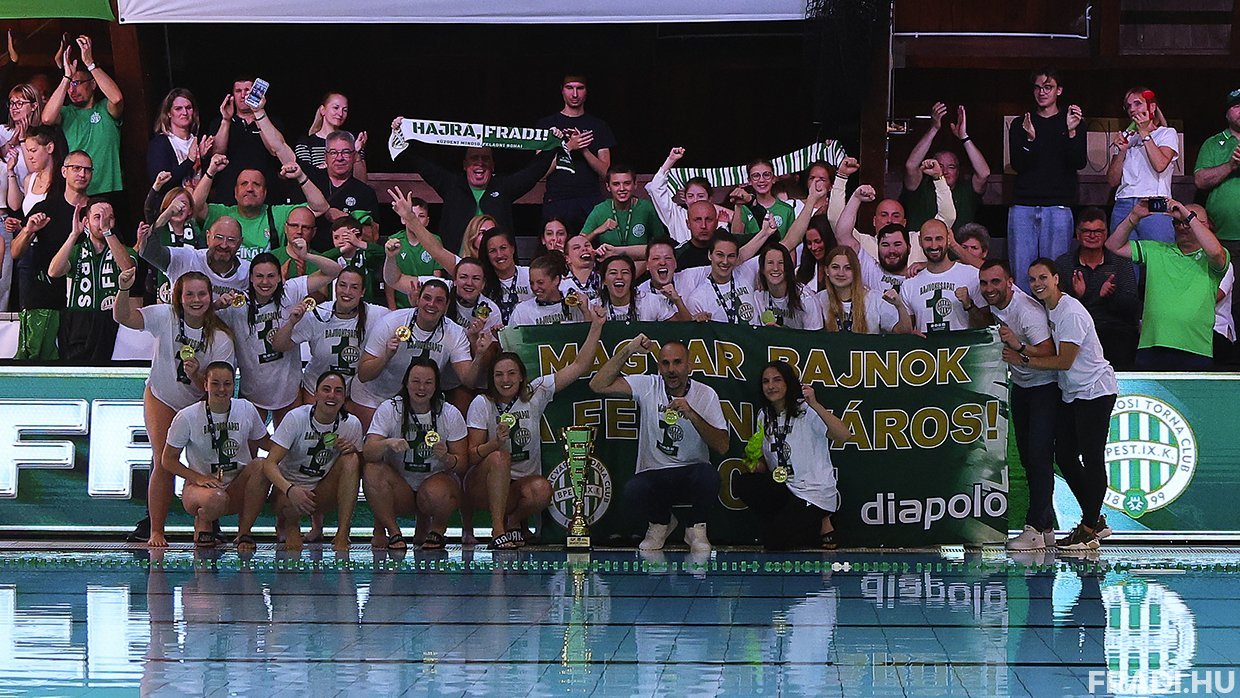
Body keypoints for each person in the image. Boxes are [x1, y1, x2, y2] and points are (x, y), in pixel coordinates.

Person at [113, 269, 236, 548]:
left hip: (200, 402)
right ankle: (156, 529)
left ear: (211, 297)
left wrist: (197, 375)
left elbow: (220, 388)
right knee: (162, 460)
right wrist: (124, 290)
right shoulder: (165, 316)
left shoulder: (221, 338)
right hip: (162, 396)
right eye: (189, 294)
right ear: (178, 297)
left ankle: (209, 520)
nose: (196, 300)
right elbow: (124, 317)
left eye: (202, 294)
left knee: (207, 464)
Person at [1004, 259, 1118, 551]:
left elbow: (1063, 361)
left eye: (1043, 277)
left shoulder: (1070, 313)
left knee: (1092, 458)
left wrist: (1023, 359)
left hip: (1094, 391)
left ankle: (1089, 530)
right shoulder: (1046, 307)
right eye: (1032, 279)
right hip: (1072, 393)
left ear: (1056, 278)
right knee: (1065, 456)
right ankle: (1094, 521)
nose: (1037, 284)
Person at [470, 306, 606, 548]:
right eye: (499, 375)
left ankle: (513, 522)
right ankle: (498, 531)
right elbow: (471, 456)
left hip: (521, 487)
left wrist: (596, 326)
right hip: (484, 486)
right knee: (500, 457)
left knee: (542, 489)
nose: (505, 380)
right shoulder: (483, 403)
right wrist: (494, 444)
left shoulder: (535, 393)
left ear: (522, 376)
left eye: (511, 373)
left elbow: (579, 366)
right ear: (492, 378)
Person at [589, 335, 730, 553]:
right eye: (665, 363)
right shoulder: (649, 385)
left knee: (710, 476)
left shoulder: (706, 394)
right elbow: (597, 385)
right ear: (659, 367)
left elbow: (722, 446)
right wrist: (629, 349)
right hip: (655, 472)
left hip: (691, 471)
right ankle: (660, 523)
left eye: (677, 362)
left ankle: (695, 528)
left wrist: (692, 414)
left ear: (689, 366)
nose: (671, 369)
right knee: (633, 489)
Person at [977, 261, 1059, 551]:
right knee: (1028, 459)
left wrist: (1019, 349)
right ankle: (1046, 528)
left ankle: (1034, 528)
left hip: (1045, 389)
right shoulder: (997, 303)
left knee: (1038, 458)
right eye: (984, 283)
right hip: (1023, 388)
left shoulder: (1027, 311)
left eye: (995, 282)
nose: (989, 289)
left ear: (1010, 282)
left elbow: (1050, 351)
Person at [238, 370, 364, 551]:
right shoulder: (296, 418)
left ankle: (343, 533)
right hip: (287, 493)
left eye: (338, 391)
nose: (332, 395)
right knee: (264, 470)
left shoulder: (351, 424)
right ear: (315, 394)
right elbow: (269, 463)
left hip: (321, 493)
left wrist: (352, 450)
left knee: (351, 460)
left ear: (344, 397)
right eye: (326, 389)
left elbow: (360, 470)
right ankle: (289, 525)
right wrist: (290, 490)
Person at [734, 361, 851, 550]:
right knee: (744, 483)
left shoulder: (807, 410)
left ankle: (824, 518)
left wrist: (815, 404)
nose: (771, 386)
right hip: (785, 487)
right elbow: (772, 459)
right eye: (766, 381)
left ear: (788, 383)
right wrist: (757, 465)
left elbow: (843, 436)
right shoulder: (764, 415)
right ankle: (785, 525)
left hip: (812, 492)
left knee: (775, 543)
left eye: (777, 380)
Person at [217, 251, 341, 426]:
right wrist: (217, 305)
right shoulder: (237, 304)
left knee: (291, 442)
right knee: (250, 443)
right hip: (253, 392)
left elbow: (334, 271)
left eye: (271, 276)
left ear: (279, 277)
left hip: (289, 391)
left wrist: (306, 256)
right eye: (259, 276)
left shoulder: (290, 290)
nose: (265, 282)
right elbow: (201, 319)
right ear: (250, 278)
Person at [390, 123, 555, 253]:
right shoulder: (452, 185)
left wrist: (552, 144)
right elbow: (422, 165)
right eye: (474, 158)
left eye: (485, 159)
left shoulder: (503, 187)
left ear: (493, 165)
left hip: (497, 266)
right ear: (464, 165)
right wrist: (402, 132)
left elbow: (532, 173)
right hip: (455, 266)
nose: (480, 163)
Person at [1106, 199, 1229, 371]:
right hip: (1152, 347)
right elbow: (1113, 245)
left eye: (1188, 222)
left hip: (1196, 348)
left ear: (1206, 225)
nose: (1182, 226)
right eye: (1177, 222)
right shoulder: (1156, 249)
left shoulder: (1213, 258)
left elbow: (1215, 252)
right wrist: (1134, 216)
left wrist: (1187, 215)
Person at [363, 358, 468, 551]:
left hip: (433, 487)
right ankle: (393, 532)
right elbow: (368, 452)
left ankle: (437, 529)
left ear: (436, 386)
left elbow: (462, 464)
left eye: (428, 382)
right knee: (372, 470)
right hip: (401, 489)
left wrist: (447, 458)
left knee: (443, 489)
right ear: (406, 383)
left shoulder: (449, 413)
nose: (421, 388)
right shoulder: (390, 408)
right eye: (416, 381)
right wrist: (387, 443)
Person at [162, 361, 270, 547]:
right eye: (215, 383)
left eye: (227, 384)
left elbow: (267, 444)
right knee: (215, 499)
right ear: (205, 384)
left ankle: (244, 533)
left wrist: (296, 440)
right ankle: (204, 519)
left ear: (234, 385)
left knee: (261, 465)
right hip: (201, 490)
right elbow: (167, 460)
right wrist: (198, 478)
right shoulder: (187, 416)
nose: (222, 389)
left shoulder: (246, 409)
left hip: (236, 486)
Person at [355, 278, 482, 425]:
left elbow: (468, 381)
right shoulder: (391, 322)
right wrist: (386, 357)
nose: (431, 304)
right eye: (427, 298)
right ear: (418, 300)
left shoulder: (455, 333)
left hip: (419, 400)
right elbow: (363, 375)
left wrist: (479, 355)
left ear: (446, 305)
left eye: (439, 300)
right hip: (376, 396)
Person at [1007, 67, 1087, 294]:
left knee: (1054, 276)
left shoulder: (1073, 121)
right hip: (1023, 205)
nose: (1042, 92)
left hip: (1058, 205)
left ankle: (1053, 317)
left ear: (1058, 90)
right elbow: (1018, 164)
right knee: (1023, 275)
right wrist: (1030, 139)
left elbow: (1078, 162)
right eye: (1038, 88)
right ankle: (1023, 317)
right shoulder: (1021, 123)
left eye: (1048, 87)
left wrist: (1071, 133)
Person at [271, 266, 389, 404]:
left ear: (362, 292)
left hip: (352, 395)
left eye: (354, 287)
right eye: (342, 285)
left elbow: (402, 321)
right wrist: (291, 322)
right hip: (316, 390)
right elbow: (278, 346)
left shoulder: (377, 315)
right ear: (335, 287)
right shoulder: (317, 314)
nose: (347, 291)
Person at [47, 197, 137, 362]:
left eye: (109, 218)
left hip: (112, 323)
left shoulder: (125, 250)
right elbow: (53, 271)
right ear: (86, 222)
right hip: (78, 321)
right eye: (97, 217)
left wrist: (108, 232)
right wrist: (74, 235)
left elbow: (128, 269)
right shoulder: (76, 250)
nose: (103, 222)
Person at [195, 153, 330, 261]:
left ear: (265, 193)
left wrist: (301, 176)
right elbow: (194, 208)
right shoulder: (222, 215)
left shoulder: (278, 214)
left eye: (256, 184)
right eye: (244, 184)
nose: (250, 189)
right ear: (235, 192)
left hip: (266, 282)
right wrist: (210, 172)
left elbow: (320, 207)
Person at [829, 155, 955, 266]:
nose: (889, 220)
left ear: (904, 223)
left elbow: (947, 217)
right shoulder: (863, 243)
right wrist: (841, 177)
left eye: (896, 216)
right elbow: (837, 220)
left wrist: (938, 178)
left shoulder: (918, 241)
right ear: (874, 221)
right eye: (884, 215)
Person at [1054, 208, 1140, 369]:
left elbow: (1132, 307)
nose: (1092, 236)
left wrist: (1109, 296)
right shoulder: (1064, 263)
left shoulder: (1120, 262)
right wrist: (1077, 296)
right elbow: (1055, 308)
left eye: (1098, 231)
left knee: (1122, 337)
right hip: (1076, 332)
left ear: (1106, 233)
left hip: (1115, 332)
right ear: (1078, 234)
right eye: (1087, 231)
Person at [41, 35, 123, 197]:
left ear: (92, 84)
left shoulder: (105, 109)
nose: (72, 90)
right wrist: (66, 78)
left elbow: (117, 99)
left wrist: (90, 63)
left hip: (109, 190)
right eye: (70, 85)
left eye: (77, 83)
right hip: (78, 192)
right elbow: (47, 118)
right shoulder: (66, 112)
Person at [537, 74, 615, 233]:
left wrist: (584, 149)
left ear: (586, 91)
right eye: (569, 88)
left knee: (591, 244)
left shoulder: (598, 126)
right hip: (557, 198)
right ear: (562, 90)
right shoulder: (547, 124)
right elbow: (540, 171)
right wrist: (568, 147)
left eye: (579, 88)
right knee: (557, 244)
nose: (574, 94)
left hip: (590, 198)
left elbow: (605, 172)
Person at [901, 102, 990, 232]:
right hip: (921, 244)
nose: (945, 171)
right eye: (940, 166)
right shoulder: (921, 187)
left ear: (958, 171)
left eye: (951, 167)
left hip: (958, 245)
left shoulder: (966, 191)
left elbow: (984, 173)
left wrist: (964, 137)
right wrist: (934, 128)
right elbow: (911, 166)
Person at [1106, 87, 1178, 243]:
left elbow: (1160, 165)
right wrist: (1122, 152)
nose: (1132, 109)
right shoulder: (1127, 137)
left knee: (1158, 253)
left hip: (1154, 201)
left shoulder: (1166, 133)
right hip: (1124, 202)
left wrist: (1145, 133)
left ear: (1152, 107)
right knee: (1123, 256)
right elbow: (1112, 180)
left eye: (1137, 103)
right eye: (1128, 106)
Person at [1193, 87, 1240, 321]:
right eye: (1237, 106)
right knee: (1229, 300)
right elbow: (1200, 180)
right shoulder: (1213, 144)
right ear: (1227, 113)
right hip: (1224, 238)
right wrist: (1231, 166)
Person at [899, 220, 987, 333]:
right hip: (926, 345)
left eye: (939, 239)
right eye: (928, 239)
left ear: (948, 239)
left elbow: (987, 326)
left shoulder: (972, 276)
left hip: (963, 344)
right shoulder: (909, 284)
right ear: (920, 241)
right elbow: (906, 332)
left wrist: (969, 305)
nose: (934, 245)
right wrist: (911, 334)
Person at [205, 77, 282, 205]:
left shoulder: (272, 122)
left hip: (266, 196)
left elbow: (275, 150)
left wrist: (258, 114)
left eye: (247, 90)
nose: (243, 95)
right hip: (228, 195)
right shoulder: (219, 122)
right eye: (238, 91)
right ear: (233, 95)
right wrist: (226, 120)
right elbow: (217, 153)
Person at [140, 213, 250, 297]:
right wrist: (166, 215)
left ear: (240, 243)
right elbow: (149, 251)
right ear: (208, 237)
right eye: (219, 237)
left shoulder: (248, 271)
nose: (224, 245)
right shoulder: (186, 258)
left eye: (231, 240)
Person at [645, 147, 732, 244]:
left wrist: (723, 224)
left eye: (700, 196)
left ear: (709, 199)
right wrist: (671, 160)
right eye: (690, 196)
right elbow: (655, 188)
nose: (695, 200)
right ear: (685, 199)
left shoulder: (717, 218)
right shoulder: (676, 215)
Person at [817, 246, 909, 334]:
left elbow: (904, 332)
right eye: (835, 267)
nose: (841, 273)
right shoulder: (819, 300)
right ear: (827, 270)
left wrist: (899, 306)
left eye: (848, 268)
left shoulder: (876, 299)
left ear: (856, 271)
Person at [143, 176, 204, 303]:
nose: (178, 207)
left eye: (184, 204)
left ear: (190, 210)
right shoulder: (159, 228)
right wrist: (157, 186)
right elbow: (149, 208)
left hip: (190, 292)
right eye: (173, 204)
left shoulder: (196, 231)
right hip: (159, 293)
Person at [582, 165, 664, 248]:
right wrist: (597, 231)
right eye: (616, 184)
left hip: (640, 256)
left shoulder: (647, 208)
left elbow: (661, 243)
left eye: (627, 183)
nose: (622, 189)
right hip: (608, 256)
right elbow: (579, 243)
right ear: (608, 187)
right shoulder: (600, 210)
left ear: (635, 184)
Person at [147, 88, 210, 196]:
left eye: (188, 108)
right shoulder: (160, 143)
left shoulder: (197, 141)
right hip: (173, 204)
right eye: (178, 109)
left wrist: (203, 158)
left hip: (199, 203)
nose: (184, 112)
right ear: (169, 113)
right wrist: (190, 161)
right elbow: (161, 185)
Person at [294, 92, 368, 179]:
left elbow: (362, 180)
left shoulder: (352, 142)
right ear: (323, 110)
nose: (340, 114)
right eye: (336, 108)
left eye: (345, 110)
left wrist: (356, 153)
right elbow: (304, 177)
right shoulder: (306, 143)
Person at [750, 244, 822, 330]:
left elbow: (815, 336)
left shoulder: (806, 298)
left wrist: (784, 334)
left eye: (781, 263)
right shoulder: (759, 297)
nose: (776, 268)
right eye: (770, 263)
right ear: (762, 269)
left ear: (787, 267)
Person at [599, 254, 688, 322]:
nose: (619, 277)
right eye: (613, 273)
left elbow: (684, 327)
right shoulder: (595, 306)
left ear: (632, 278)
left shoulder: (651, 301)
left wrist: (677, 300)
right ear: (604, 280)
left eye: (625, 272)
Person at [509, 253, 587, 326]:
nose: (535, 288)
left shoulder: (575, 305)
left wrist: (585, 310)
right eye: (531, 283)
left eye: (540, 282)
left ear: (556, 280)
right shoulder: (522, 311)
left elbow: (589, 331)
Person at [729, 159, 796, 245]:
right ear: (749, 181)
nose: (761, 180)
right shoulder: (744, 208)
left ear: (774, 179)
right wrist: (738, 206)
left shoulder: (787, 209)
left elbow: (792, 243)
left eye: (766, 175)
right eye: (756, 176)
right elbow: (735, 240)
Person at [327, 215, 386, 305]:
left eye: (345, 237)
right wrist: (343, 249)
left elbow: (384, 253)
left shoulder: (366, 255)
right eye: (336, 237)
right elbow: (320, 259)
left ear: (358, 237)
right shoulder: (332, 257)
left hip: (365, 306)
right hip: (335, 306)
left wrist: (358, 243)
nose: (340, 241)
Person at [271, 207, 322, 280]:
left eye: (305, 227)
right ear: (285, 228)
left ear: (313, 232)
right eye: (294, 226)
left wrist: (303, 279)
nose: (299, 231)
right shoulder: (270, 258)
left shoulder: (321, 262)